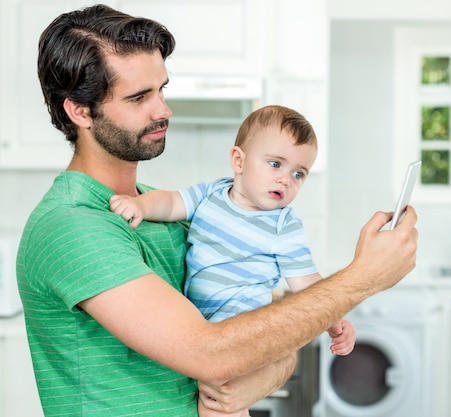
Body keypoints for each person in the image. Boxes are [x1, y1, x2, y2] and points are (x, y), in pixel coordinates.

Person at [15, 4, 418, 417]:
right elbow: (212, 354)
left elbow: (260, 336)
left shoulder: (170, 211)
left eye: (161, 89)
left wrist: (267, 371)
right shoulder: (72, 226)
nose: (163, 110)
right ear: (79, 111)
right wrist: (362, 278)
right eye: (139, 97)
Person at [110, 104, 357, 417]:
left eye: (298, 173)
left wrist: (335, 319)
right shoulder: (212, 194)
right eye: (275, 164)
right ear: (238, 160)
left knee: (219, 401)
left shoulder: (284, 225)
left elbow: (309, 285)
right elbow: (172, 202)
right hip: (198, 328)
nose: (286, 180)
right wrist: (141, 206)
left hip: (242, 333)